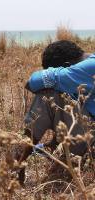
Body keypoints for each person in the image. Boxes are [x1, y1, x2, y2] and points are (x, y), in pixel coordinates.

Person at [15, 40, 95, 184]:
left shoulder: (86, 68)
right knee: (67, 97)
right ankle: (48, 146)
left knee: (49, 94)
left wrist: (55, 77)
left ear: (65, 66)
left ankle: (16, 164)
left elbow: (31, 82)